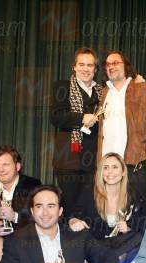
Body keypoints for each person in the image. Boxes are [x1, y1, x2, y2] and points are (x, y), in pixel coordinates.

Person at [97, 50, 146, 204]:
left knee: (135, 205)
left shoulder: (142, 88)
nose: (111, 67)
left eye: (115, 63)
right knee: (108, 204)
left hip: (133, 158)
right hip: (107, 163)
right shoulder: (104, 93)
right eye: (108, 64)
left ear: (126, 66)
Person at [68, 152, 146, 263]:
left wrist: (127, 229)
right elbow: (72, 215)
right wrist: (73, 221)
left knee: (137, 238)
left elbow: (141, 226)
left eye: (115, 167)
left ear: (123, 172)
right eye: (105, 168)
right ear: (101, 172)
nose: (110, 172)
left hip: (119, 246)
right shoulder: (89, 192)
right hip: (95, 245)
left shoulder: (132, 196)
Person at [50, 47, 103, 211]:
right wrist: (81, 118)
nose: (85, 69)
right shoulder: (62, 87)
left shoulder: (103, 91)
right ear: (74, 67)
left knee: (90, 208)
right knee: (70, 210)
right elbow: (56, 117)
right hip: (68, 160)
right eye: (81, 64)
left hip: (94, 161)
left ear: (95, 69)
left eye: (90, 65)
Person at [0, 146, 41, 236]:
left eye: (5, 165)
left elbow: (43, 217)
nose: (1, 170)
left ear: (17, 166)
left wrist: (15, 217)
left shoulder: (33, 186)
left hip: (26, 240)